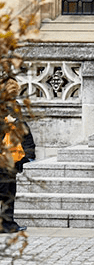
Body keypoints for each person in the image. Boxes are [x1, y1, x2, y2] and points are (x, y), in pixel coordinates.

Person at [0, 79, 35, 233]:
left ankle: (7, 223)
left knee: (9, 192)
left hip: (12, 158)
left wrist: (27, 155)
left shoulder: (14, 107)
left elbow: (24, 131)